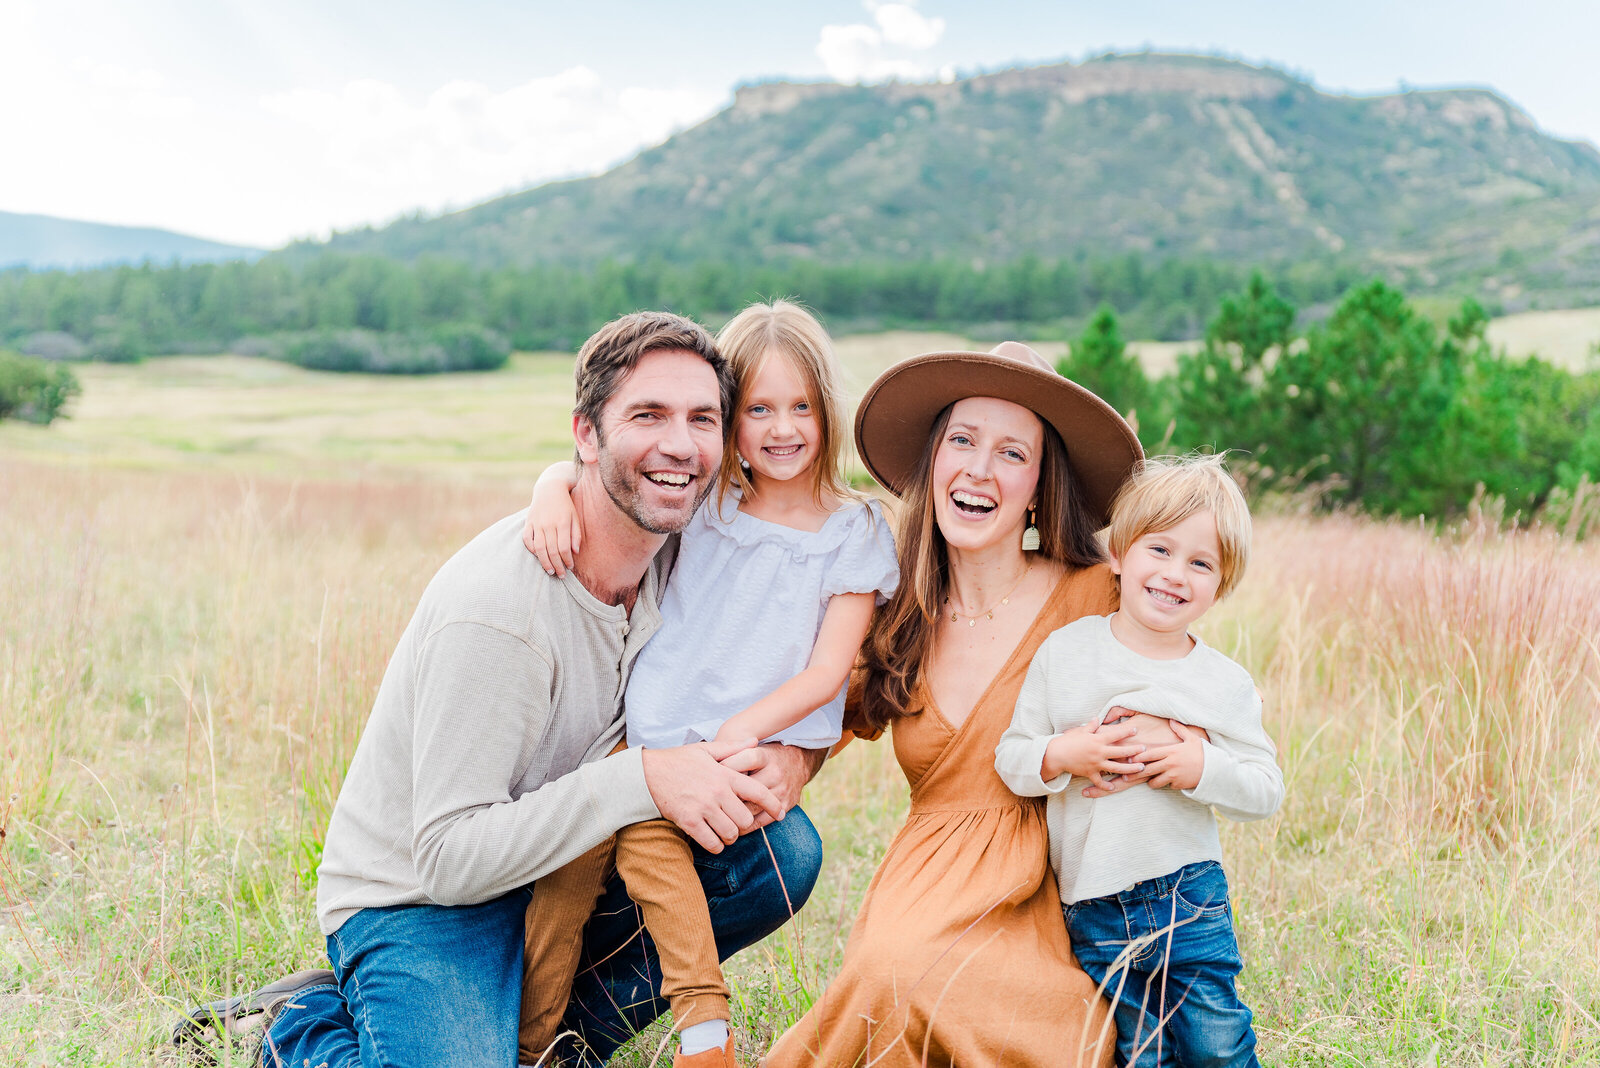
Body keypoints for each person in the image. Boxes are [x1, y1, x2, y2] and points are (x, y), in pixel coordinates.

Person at [172, 311, 825, 1068]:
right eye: (648, 415)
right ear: (586, 434)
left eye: (702, 419)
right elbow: (450, 858)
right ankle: (299, 1025)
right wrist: (641, 778)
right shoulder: (499, 613)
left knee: (781, 853)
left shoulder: (686, 548)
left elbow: (826, 640)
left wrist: (795, 761)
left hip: (563, 869)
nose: (680, 444)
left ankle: (559, 1044)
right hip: (421, 902)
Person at [517, 301, 898, 1068]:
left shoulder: (853, 532)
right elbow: (606, 469)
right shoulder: (710, 501)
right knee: (562, 886)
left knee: (666, 875)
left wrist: (742, 733)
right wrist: (551, 483)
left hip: (727, 750)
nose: (782, 428)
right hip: (641, 738)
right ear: (730, 419)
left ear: (827, 411)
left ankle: (700, 1031)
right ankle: (532, 1042)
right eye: (758, 408)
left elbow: (830, 671)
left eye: (801, 407)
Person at [764, 342, 1144, 1068]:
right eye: (962, 441)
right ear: (933, 462)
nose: (977, 468)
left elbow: (1183, 645)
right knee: (899, 973)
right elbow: (813, 728)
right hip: (929, 879)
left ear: (1038, 485)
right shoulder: (897, 616)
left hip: (1051, 878)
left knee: (1073, 1037)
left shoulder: (1095, 595)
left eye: (1011, 453)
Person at [994, 453, 1283, 1067]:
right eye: (1160, 550)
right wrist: (1066, 753)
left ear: (1220, 585)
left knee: (1217, 1044)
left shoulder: (1221, 683)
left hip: (1189, 894)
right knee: (1140, 1052)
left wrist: (1200, 764)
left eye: (1201, 563)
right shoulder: (1067, 653)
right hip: (1093, 902)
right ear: (1120, 554)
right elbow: (1012, 757)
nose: (1176, 575)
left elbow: (1265, 789)